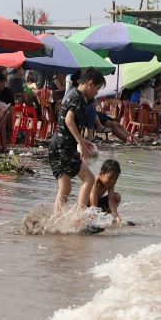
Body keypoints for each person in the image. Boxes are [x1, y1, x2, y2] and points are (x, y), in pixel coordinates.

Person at [48, 67, 106, 218]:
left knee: (65, 187)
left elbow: (66, 123)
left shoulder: (71, 93)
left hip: (56, 144)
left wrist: (82, 140)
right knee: (89, 179)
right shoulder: (78, 98)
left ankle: (56, 219)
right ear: (90, 83)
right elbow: (69, 120)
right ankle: (78, 217)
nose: (97, 93)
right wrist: (80, 142)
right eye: (98, 89)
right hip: (64, 146)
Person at [90, 158, 124, 225]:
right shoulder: (95, 180)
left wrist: (116, 216)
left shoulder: (111, 183)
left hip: (98, 205)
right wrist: (94, 211)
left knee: (117, 197)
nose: (112, 181)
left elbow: (111, 200)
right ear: (101, 173)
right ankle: (97, 216)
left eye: (115, 179)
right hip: (88, 206)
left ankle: (106, 217)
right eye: (110, 178)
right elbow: (92, 195)